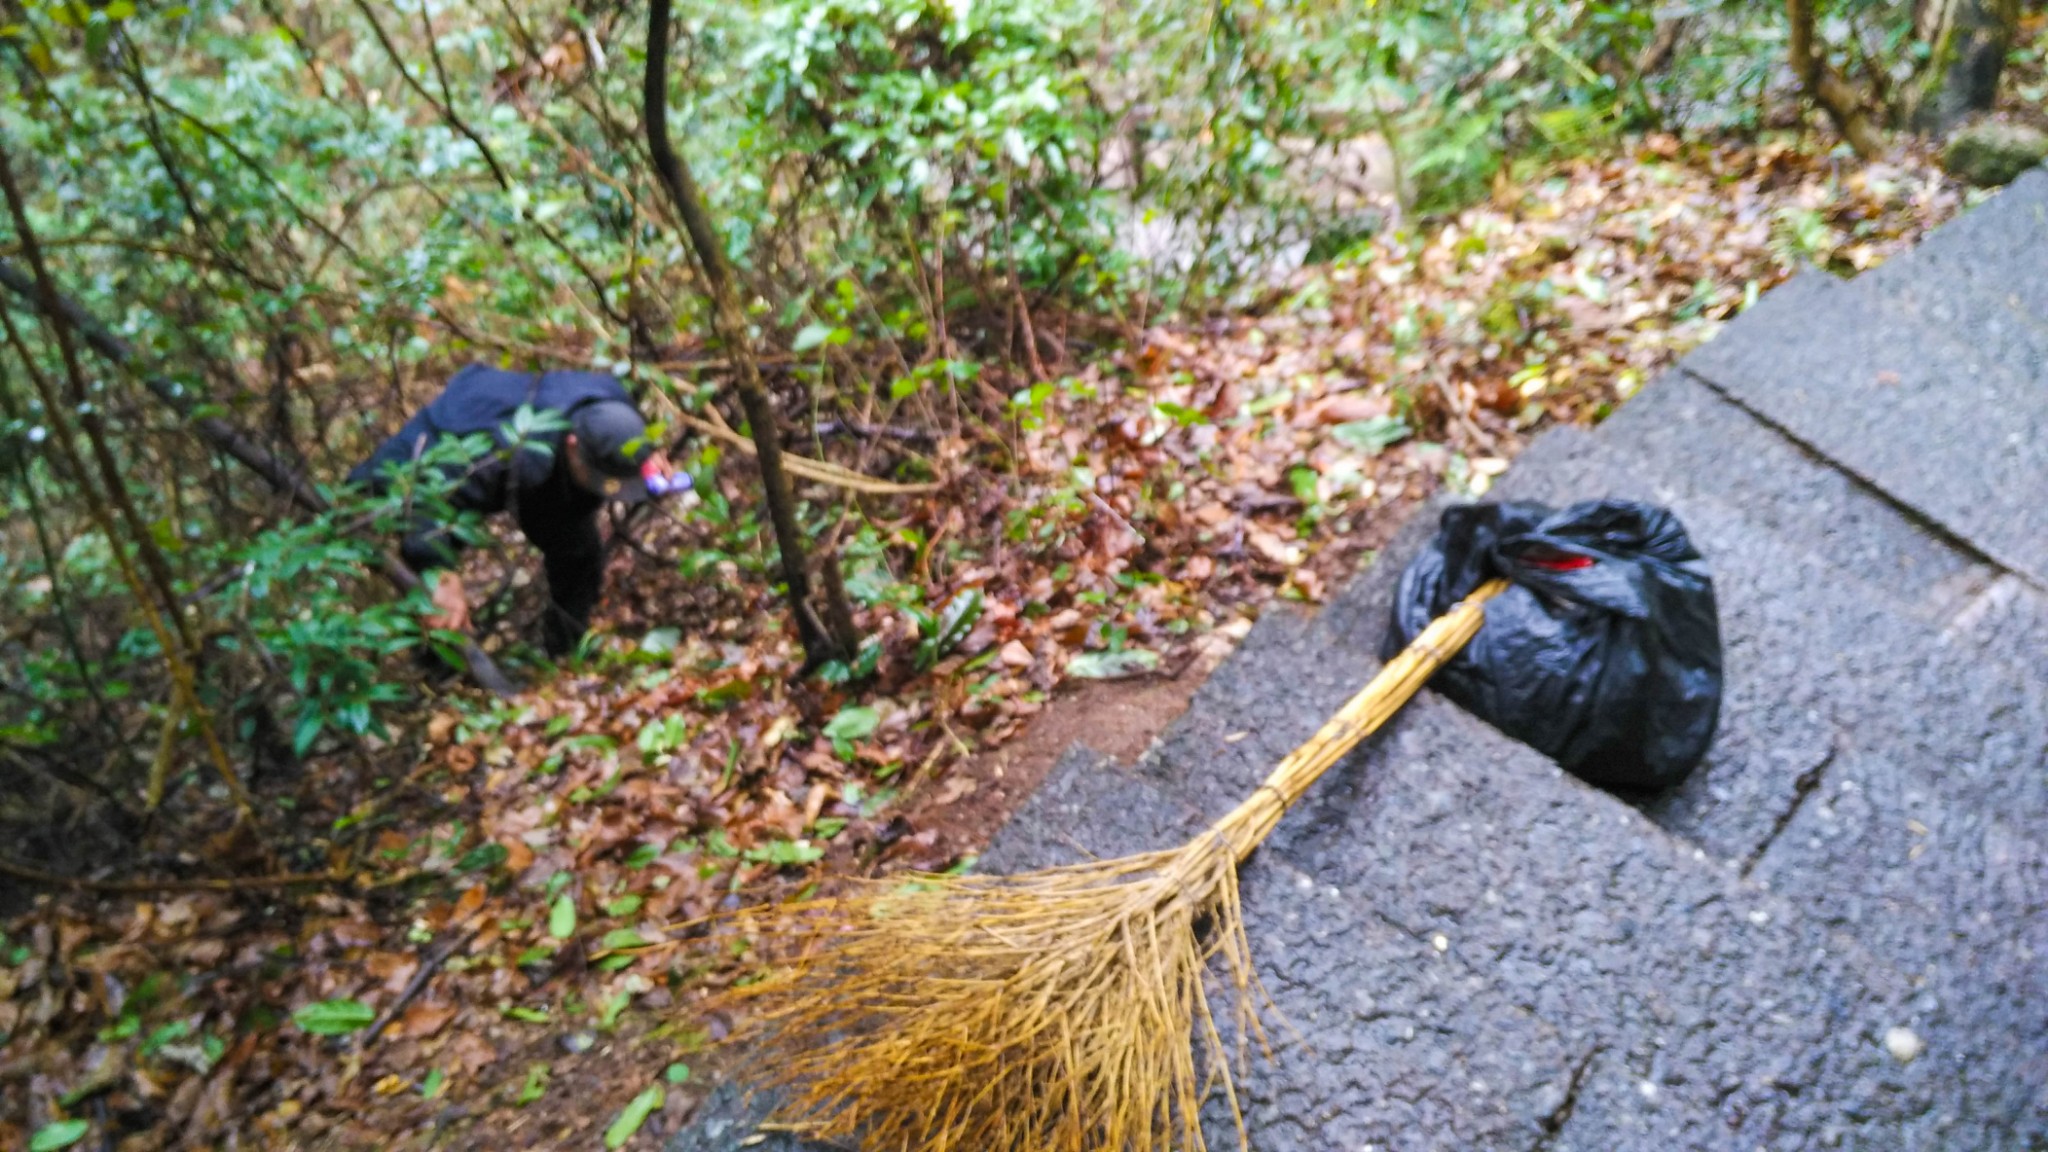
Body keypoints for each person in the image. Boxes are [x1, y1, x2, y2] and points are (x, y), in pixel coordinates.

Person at [347, 362, 688, 659]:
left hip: (542, 470)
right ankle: (438, 667)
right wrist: (439, 574)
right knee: (437, 597)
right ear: (573, 446)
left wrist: (643, 459)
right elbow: (423, 497)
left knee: (579, 551)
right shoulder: (499, 453)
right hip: (439, 452)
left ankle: (567, 649)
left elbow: (622, 434)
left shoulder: (609, 400)